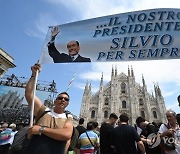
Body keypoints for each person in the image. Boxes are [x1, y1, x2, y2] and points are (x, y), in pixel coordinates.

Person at [22, 63, 73, 154]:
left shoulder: (68, 117)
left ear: (68, 104)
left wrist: (41, 129)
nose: (63, 100)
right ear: (54, 101)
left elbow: (66, 134)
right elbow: (29, 94)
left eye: (66, 99)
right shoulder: (43, 111)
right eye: (60, 98)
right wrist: (34, 75)